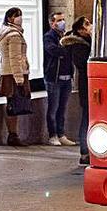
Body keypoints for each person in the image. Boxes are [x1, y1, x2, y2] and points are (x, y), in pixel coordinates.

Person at [0, 7, 30, 147]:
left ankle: (13, 134)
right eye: (17, 15)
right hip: (14, 74)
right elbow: (15, 58)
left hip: (7, 72)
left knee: (11, 104)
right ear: (9, 18)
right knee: (14, 105)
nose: (20, 18)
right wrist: (20, 79)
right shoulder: (14, 35)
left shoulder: (4, 32)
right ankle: (13, 135)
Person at [63, 16, 92, 165]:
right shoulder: (79, 45)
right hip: (86, 87)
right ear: (80, 30)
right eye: (86, 24)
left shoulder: (87, 42)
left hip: (89, 86)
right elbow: (83, 64)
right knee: (87, 118)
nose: (90, 26)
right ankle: (85, 152)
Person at [44, 12, 76, 147]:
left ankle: (61, 134)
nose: (62, 22)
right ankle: (52, 135)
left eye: (63, 19)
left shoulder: (66, 36)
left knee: (62, 108)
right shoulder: (49, 37)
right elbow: (54, 51)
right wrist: (66, 49)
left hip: (66, 78)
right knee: (53, 108)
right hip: (54, 78)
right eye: (59, 20)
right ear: (52, 23)